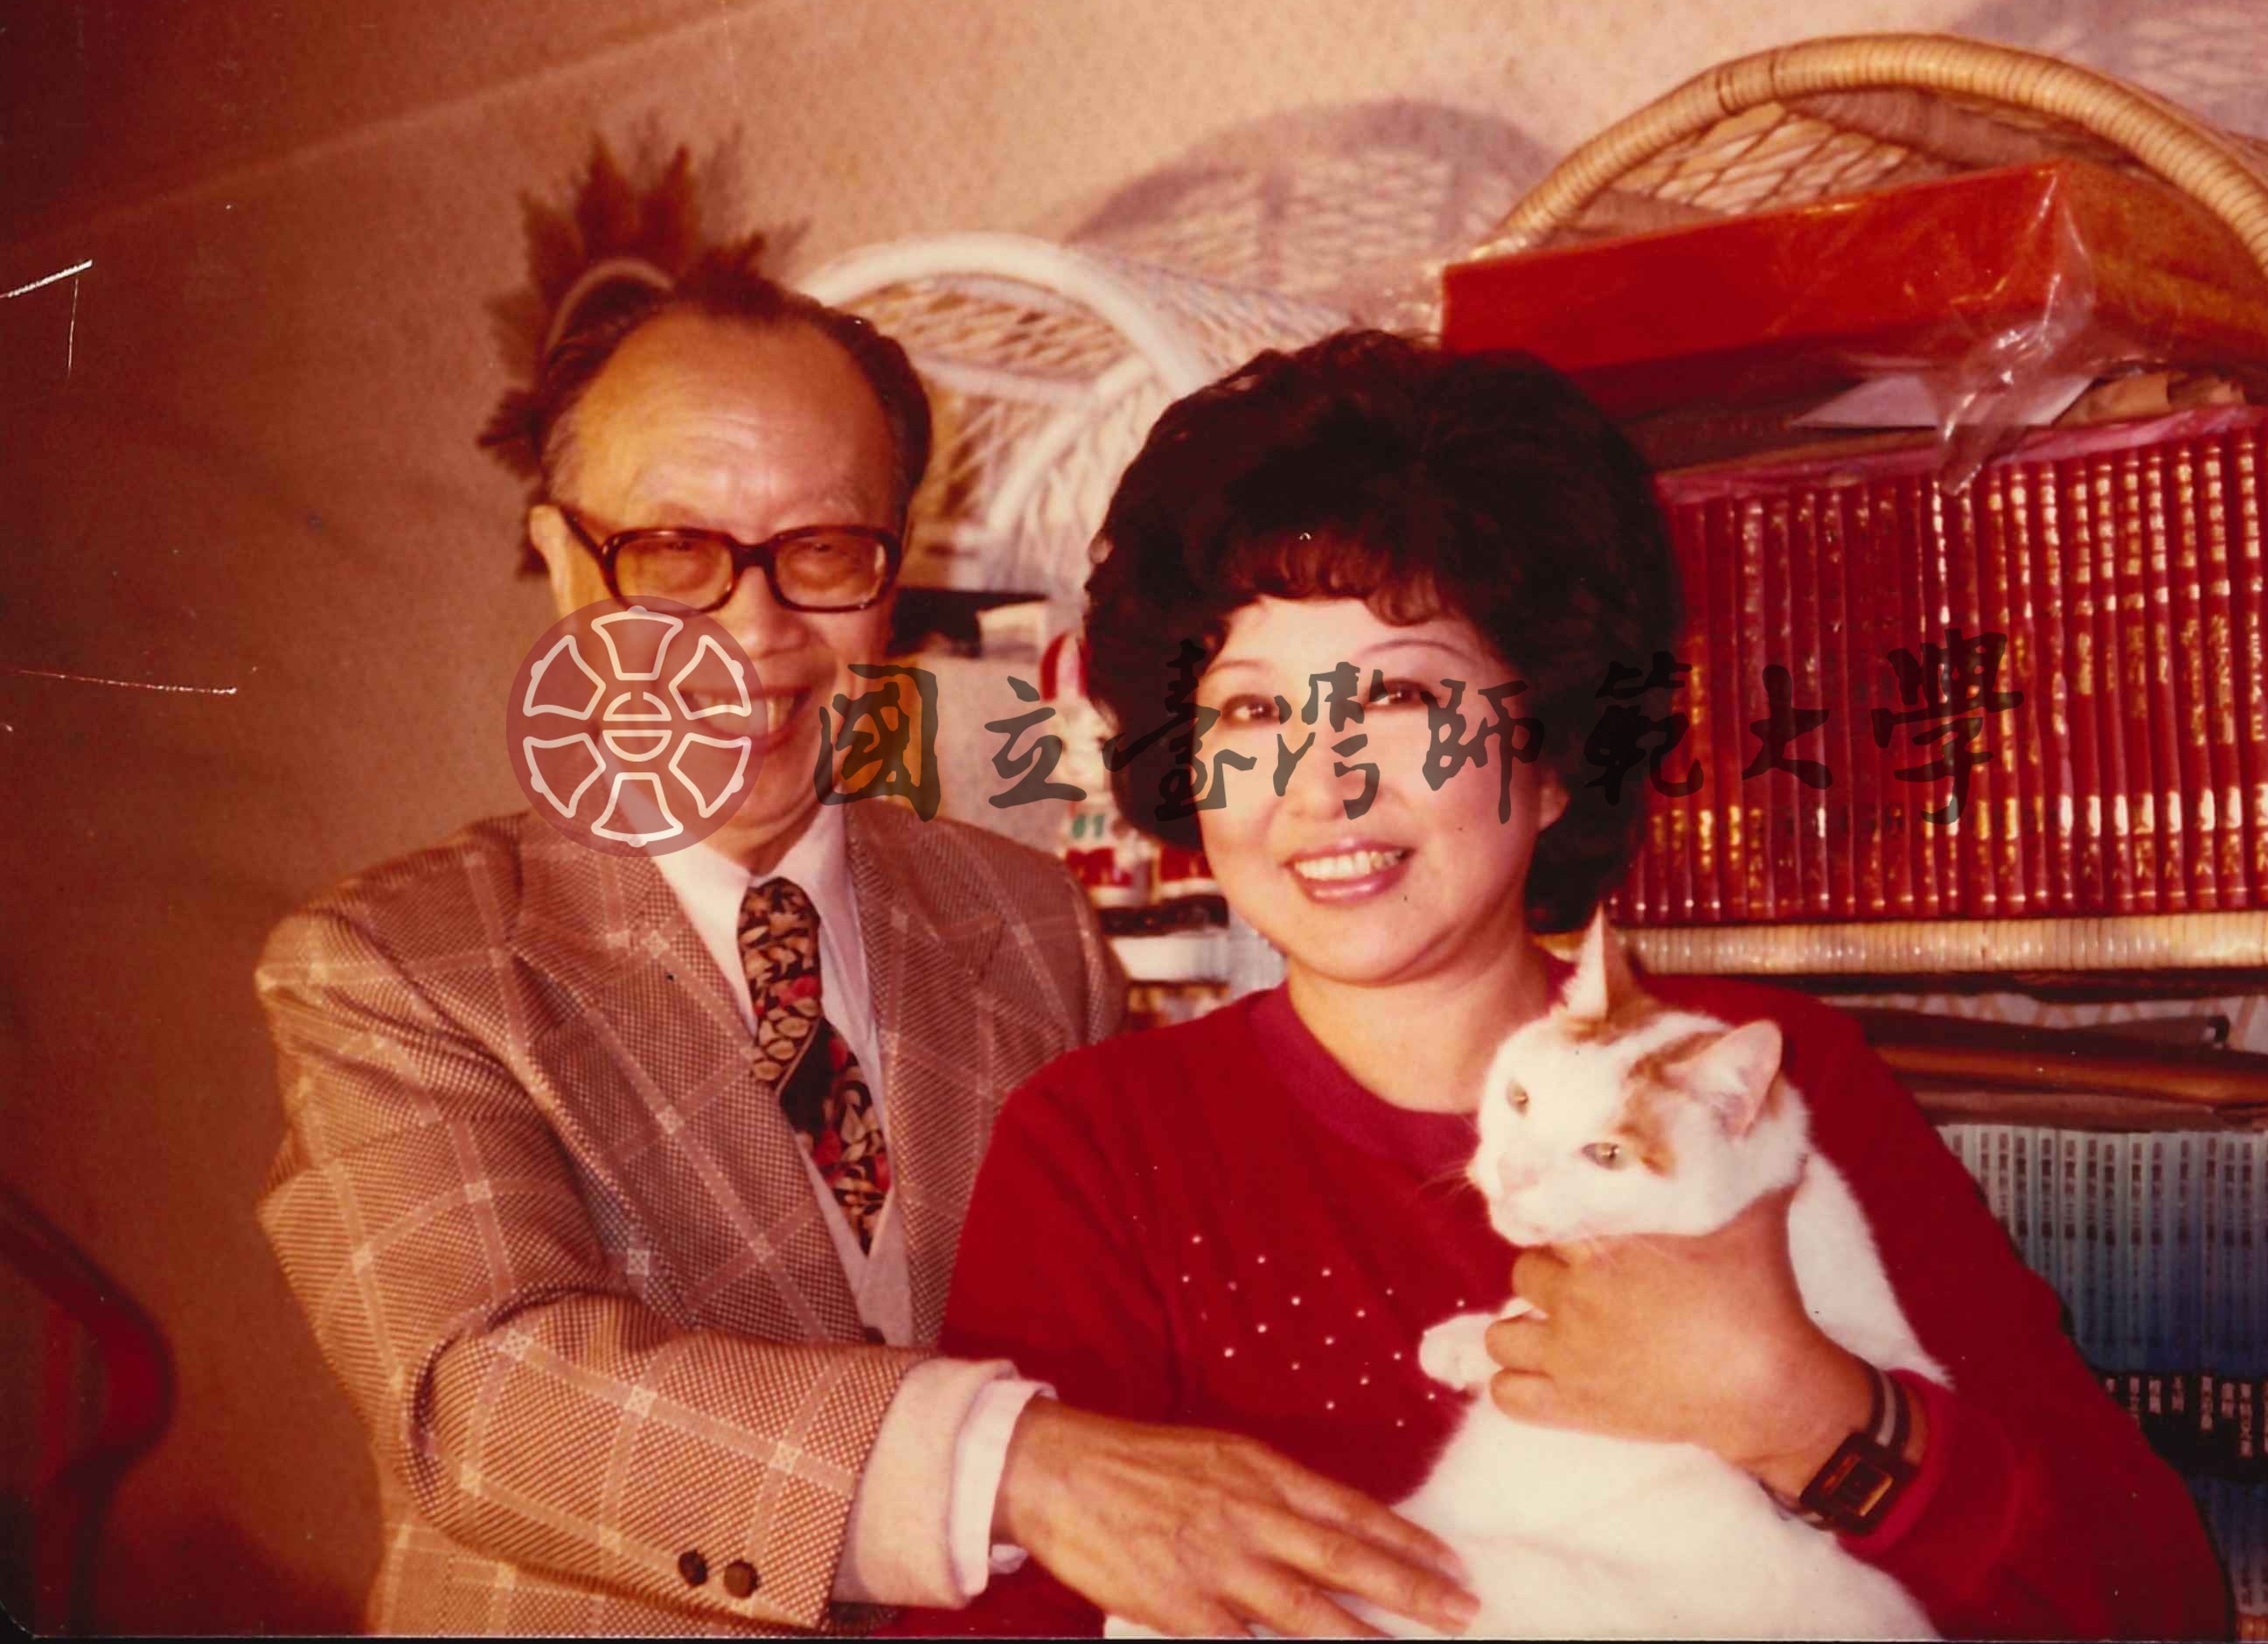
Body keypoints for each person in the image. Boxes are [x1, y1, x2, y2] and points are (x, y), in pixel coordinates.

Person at [914, 330, 2234, 1639]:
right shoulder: (1101, 1142)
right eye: (1255, 712)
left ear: (1552, 758)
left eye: (1405, 700)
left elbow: (2156, 1608)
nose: (1324, 783)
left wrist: (1808, 1413)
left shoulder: (1761, 1077)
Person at [254, 249, 1475, 1635]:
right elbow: (481, 1398)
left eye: (824, 550)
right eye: (673, 552)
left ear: (896, 571)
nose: (754, 629)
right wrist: (1011, 1468)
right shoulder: (397, 963)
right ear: (564, 565)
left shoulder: (1030, 923)